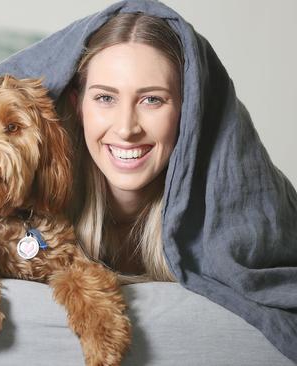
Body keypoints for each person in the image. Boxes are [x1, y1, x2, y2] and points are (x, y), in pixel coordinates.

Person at [59, 12, 183, 282]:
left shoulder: (222, 230)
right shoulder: (33, 214)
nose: (127, 129)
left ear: (187, 109)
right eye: (105, 97)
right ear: (77, 106)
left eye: (152, 99)